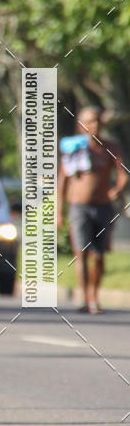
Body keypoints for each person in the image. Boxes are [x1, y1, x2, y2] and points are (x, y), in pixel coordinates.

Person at [57, 106, 127, 313]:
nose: (93, 126)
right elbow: (63, 181)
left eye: (96, 121)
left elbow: (122, 173)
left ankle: (94, 297)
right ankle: (85, 297)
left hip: (103, 208)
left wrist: (116, 189)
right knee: (82, 253)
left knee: (98, 256)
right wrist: (58, 211)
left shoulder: (111, 147)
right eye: (89, 122)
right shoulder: (74, 149)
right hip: (79, 207)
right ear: (81, 126)